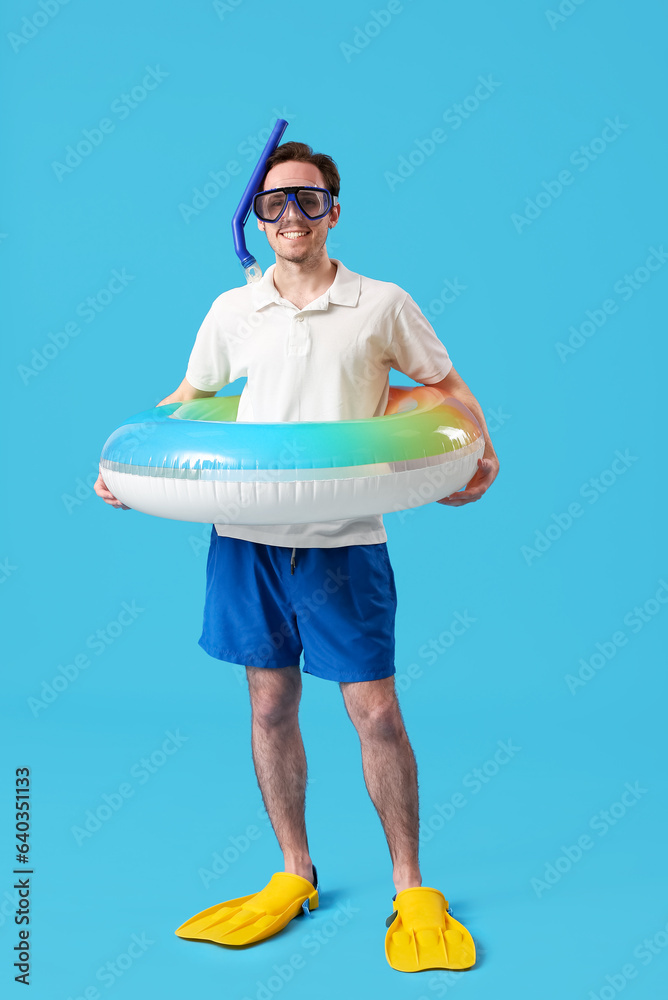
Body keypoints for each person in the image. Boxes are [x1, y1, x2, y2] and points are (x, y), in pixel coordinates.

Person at [94, 141, 499, 972]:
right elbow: (188, 402)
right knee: (270, 708)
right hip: (247, 541)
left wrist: (480, 451)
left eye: (310, 201)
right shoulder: (231, 312)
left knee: (376, 714)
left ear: (335, 212)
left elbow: (446, 390)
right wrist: (131, 464)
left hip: (344, 542)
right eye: (276, 202)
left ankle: (412, 885)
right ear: (256, 216)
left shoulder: (380, 303)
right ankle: (294, 871)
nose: (292, 216)